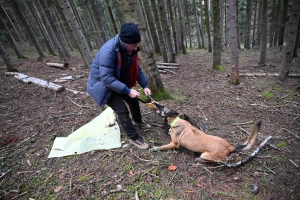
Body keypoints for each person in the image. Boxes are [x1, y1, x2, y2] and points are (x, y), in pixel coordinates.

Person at [87, 22, 151, 150]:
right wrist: (127, 90)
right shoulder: (108, 50)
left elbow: (136, 68)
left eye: (136, 45)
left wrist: (144, 85)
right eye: (134, 45)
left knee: (134, 100)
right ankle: (133, 137)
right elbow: (106, 78)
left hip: (116, 81)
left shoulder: (130, 50)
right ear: (125, 42)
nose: (135, 48)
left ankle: (137, 121)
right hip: (102, 86)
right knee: (122, 110)